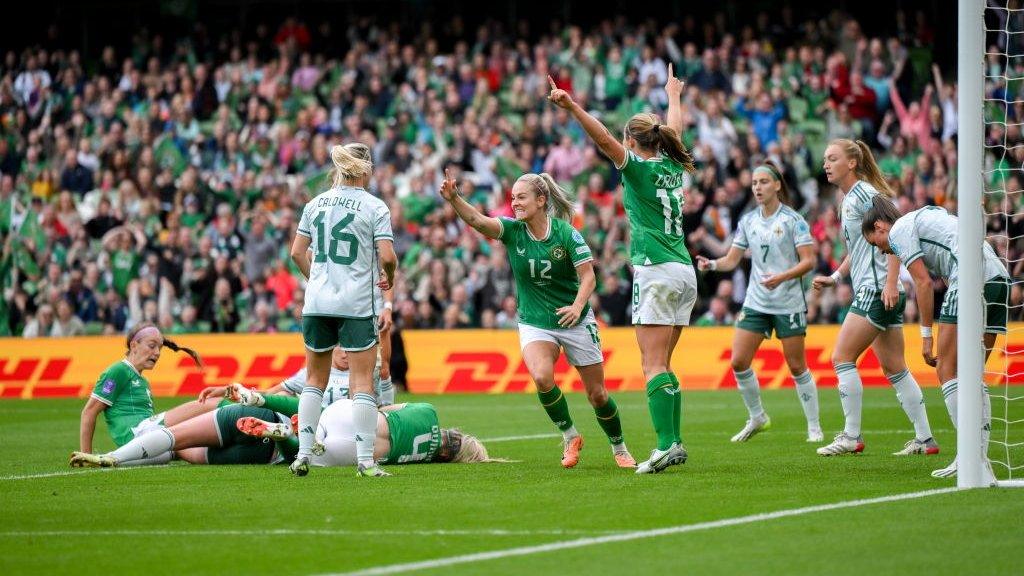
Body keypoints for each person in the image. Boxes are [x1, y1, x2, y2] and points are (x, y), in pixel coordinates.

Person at [548, 66, 695, 474]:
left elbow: (602, 139)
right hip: (684, 271)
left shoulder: (639, 168)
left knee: (652, 365)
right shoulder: (672, 166)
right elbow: (676, 134)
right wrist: (674, 97)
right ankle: (675, 442)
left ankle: (665, 445)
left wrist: (573, 106)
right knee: (665, 363)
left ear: (632, 141)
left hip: (656, 269)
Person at [439, 168, 635, 468]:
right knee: (542, 377)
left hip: (575, 320)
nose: (514, 203)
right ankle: (570, 435)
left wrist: (577, 306)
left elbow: (588, 278)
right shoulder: (512, 231)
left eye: (521, 197)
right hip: (534, 321)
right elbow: (478, 220)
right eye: (512, 198)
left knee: (597, 394)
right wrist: (455, 199)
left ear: (541, 200)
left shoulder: (566, 234)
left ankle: (619, 447)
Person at [861, 199, 1009, 478]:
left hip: (968, 276)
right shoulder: (929, 216)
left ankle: (969, 458)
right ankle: (978, 459)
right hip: (998, 278)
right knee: (973, 375)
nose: (881, 251)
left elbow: (924, 283)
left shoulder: (899, 230)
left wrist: (926, 337)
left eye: (875, 243)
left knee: (947, 370)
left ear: (880, 227)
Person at [811, 139, 937, 457]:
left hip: (877, 289)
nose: (826, 164)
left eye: (833, 158)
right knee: (895, 368)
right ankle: (925, 439)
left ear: (852, 163)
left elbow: (894, 232)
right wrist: (837, 276)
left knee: (841, 358)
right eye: (825, 159)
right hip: (879, 288)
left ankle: (851, 436)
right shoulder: (849, 199)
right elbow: (859, 248)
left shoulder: (865, 195)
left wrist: (892, 282)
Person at [289, 142, 397, 478]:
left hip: (317, 303)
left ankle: (303, 455)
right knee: (363, 382)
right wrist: (388, 278)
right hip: (355, 303)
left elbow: (296, 253)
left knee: (313, 381)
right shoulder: (374, 206)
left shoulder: (315, 204)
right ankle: (366, 461)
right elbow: (389, 257)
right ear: (367, 169)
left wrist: (317, 279)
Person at [696, 161, 822, 443]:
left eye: (764, 182)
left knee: (797, 365)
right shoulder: (748, 221)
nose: (757, 187)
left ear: (777, 185)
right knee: (739, 361)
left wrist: (782, 277)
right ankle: (757, 417)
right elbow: (732, 259)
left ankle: (814, 426)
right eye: (754, 183)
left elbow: (809, 261)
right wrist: (712, 265)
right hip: (756, 301)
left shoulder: (793, 221)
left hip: (788, 302)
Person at [74, 323, 208, 461]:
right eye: (151, 346)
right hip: (136, 438)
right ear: (134, 346)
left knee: (202, 446)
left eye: (160, 348)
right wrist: (86, 456)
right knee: (206, 404)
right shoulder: (118, 370)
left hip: (150, 447)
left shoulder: (143, 381)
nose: (157, 353)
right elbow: (89, 412)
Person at [236, 397, 498, 466]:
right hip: (354, 452)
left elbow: (386, 407)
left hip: (357, 420)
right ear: (447, 456)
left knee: (321, 411)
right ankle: (286, 436)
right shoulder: (425, 458)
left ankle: (264, 401)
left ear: (452, 432)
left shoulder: (428, 411)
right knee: (306, 455)